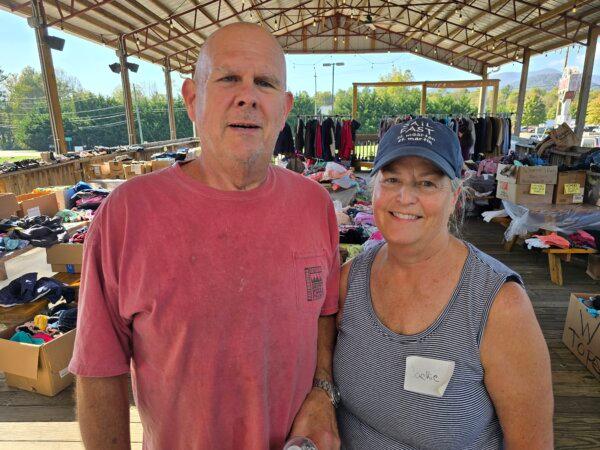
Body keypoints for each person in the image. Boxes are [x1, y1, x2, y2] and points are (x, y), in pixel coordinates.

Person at [69, 23, 341, 450]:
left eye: (265, 83)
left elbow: (324, 312)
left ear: (284, 109)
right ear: (192, 99)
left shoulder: (315, 205)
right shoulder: (126, 214)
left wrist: (323, 390)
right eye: (229, 78)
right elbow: (98, 368)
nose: (248, 96)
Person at [333, 118, 554, 449]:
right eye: (391, 179)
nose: (404, 197)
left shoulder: (500, 304)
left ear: (455, 196)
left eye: (426, 183)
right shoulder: (351, 279)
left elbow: (532, 443)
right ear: (374, 187)